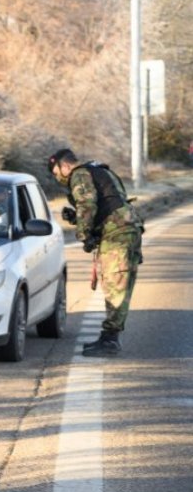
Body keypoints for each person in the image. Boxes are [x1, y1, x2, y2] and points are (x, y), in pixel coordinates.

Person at [48, 148, 143, 356]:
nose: (57, 178)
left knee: (115, 285)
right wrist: (77, 219)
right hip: (124, 230)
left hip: (118, 234)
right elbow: (107, 203)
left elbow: (87, 204)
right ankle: (108, 337)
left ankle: (110, 341)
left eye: (56, 173)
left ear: (65, 166)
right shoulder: (97, 170)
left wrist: (84, 235)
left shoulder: (79, 174)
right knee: (116, 283)